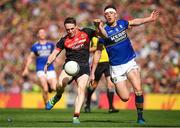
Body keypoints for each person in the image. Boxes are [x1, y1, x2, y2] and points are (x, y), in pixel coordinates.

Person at [91, 5, 159, 124]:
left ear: (116, 15)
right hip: (116, 68)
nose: (109, 15)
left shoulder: (122, 23)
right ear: (105, 17)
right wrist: (92, 72)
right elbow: (102, 41)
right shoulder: (102, 32)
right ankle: (118, 85)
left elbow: (134, 22)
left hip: (129, 62)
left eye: (111, 13)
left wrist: (149, 19)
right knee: (125, 97)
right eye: (106, 14)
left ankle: (140, 117)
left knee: (138, 89)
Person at [44, 17, 97, 124]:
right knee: (59, 85)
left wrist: (98, 26)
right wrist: (48, 63)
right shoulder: (64, 40)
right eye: (67, 29)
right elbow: (54, 53)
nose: (70, 31)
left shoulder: (86, 32)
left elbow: (100, 34)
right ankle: (57, 96)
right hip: (69, 67)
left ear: (76, 26)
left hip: (84, 67)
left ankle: (76, 116)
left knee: (81, 89)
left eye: (72, 29)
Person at [22, 28, 57, 105]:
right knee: (45, 89)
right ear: (38, 35)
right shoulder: (35, 46)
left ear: (46, 34)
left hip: (50, 68)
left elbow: (54, 54)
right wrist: (26, 69)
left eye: (43, 32)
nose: (42, 34)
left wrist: (55, 60)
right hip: (40, 68)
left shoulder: (51, 45)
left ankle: (49, 85)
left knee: (54, 88)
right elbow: (30, 57)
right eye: (40, 32)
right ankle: (47, 104)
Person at [85, 36, 119, 113]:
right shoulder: (93, 38)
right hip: (98, 63)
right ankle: (87, 103)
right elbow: (89, 49)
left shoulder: (107, 36)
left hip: (108, 63)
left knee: (110, 84)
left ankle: (111, 107)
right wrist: (99, 46)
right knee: (94, 84)